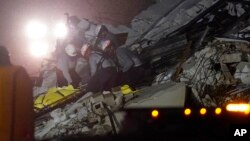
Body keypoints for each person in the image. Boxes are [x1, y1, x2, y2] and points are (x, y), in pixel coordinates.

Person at [0, 46, 34, 141]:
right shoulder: (18, 72)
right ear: (7, 56)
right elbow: (28, 105)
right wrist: (31, 132)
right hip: (18, 133)